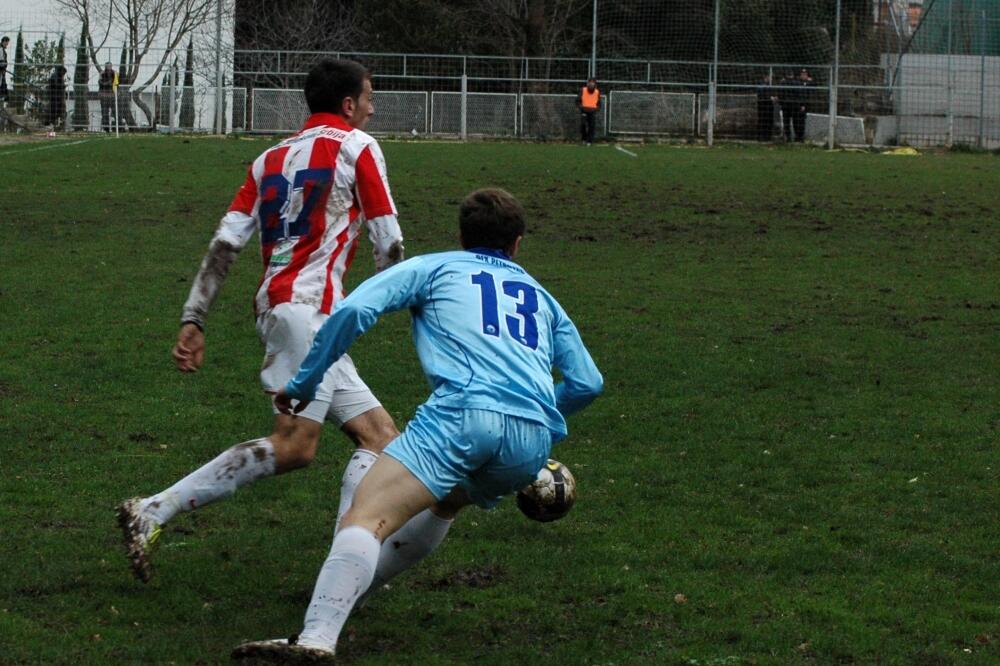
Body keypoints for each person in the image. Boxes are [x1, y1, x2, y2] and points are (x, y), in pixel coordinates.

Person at [232, 188, 604, 662]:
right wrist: (538, 420)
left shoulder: (437, 266)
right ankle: (346, 598)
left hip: (464, 414)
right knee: (446, 503)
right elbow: (587, 382)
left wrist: (305, 381)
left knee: (366, 517)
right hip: (529, 443)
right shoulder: (542, 296)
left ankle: (316, 640)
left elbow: (352, 311)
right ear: (517, 245)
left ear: (462, 236)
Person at [116, 59, 405, 583]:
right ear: (348, 105)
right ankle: (154, 509)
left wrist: (194, 317)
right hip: (309, 315)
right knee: (295, 444)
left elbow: (227, 243)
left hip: (287, 311)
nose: (372, 105)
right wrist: (405, 308)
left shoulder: (267, 159)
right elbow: (390, 241)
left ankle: (348, 564)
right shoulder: (360, 147)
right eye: (368, 96)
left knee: (382, 438)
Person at [576, 77, 600, 145]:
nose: (591, 84)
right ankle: (584, 139)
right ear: (587, 83)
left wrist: (597, 109)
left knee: (592, 126)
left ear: (595, 84)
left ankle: (589, 141)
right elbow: (577, 101)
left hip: (592, 111)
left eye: (593, 83)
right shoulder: (583, 90)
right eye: (590, 82)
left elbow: (599, 103)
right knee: (583, 125)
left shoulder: (597, 92)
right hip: (584, 110)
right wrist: (581, 107)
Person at [755, 73, 777, 142]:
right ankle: (761, 137)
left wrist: (775, 97)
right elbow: (761, 94)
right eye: (770, 77)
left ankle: (768, 137)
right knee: (762, 121)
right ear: (766, 77)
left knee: (769, 121)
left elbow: (774, 94)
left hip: (769, 106)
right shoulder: (761, 84)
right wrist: (770, 97)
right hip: (763, 105)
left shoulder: (771, 85)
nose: (771, 79)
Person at [98, 62, 116, 132]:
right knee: (104, 113)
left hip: (112, 96)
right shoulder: (102, 73)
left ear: (111, 66)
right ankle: (106, 128)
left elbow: (117, 84)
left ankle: (116, 128)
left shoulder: (115, 73)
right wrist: (107, 83)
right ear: (105, 66)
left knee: (115, 112)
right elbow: (100, 83)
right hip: (104, 96)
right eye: (107, 66)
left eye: (109, 66)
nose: (108, 67)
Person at [0, 37, 9, 104]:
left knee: (3, 84)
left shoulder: (2, 49)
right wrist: (3, 68)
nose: (7, 44)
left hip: (2, 70)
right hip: (1, 70)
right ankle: (3, 97)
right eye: (6, 43)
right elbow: (1, 61)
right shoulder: (1, 49)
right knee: (2, 84)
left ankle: (4, 97)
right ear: (3, 41)